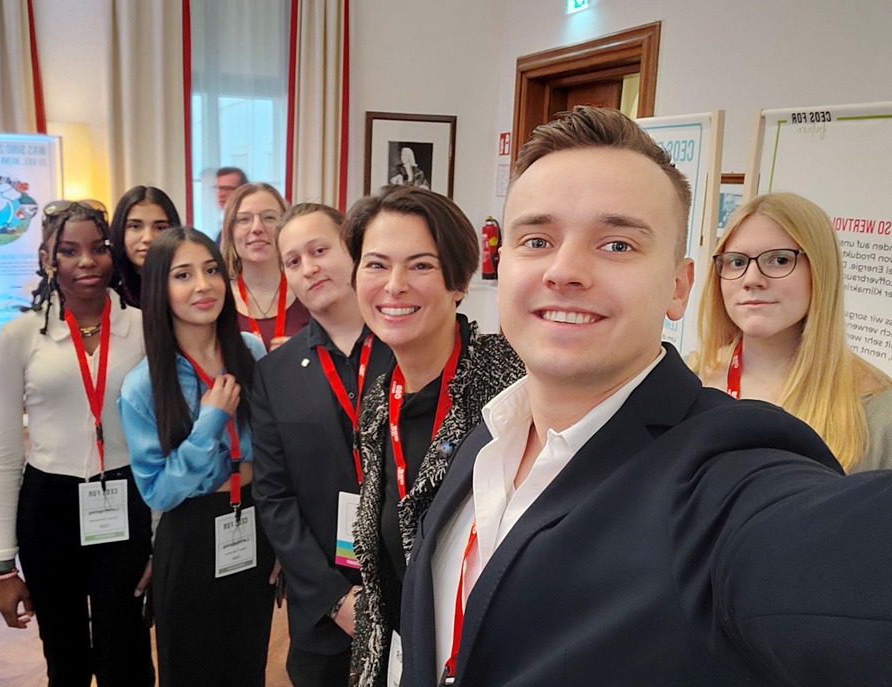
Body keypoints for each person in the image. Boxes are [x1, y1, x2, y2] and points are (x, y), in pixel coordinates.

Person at [399, 106, 892, 687]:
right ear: (501, 264)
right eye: (536, 239)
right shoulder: (488, 433)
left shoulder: (723, 472)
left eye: (617, 245)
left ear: (678, 287)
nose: (564, 269)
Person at [342, 186, 524, 687]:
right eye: (375, 265)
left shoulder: (511, 381)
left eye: (421, 266)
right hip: (402, 657)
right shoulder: (381, 399)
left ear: (458, 281)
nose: (394, 285)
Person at [0, 200, 154, 686]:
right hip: (49, 506)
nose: (86, 261)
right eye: (69, 250)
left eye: (98, 249)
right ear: (47, 259)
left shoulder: (144, 329)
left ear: (113, 255)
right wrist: (2, 565)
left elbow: (164, 440)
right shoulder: (19, 337)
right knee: (64, 657)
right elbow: (3, 455)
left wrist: (160, 539)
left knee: (126, 650)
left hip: (127, 500)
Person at [118, 227, 274, 686]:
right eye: (183, 275)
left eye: (211, 271)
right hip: (189, 536)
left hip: (253, 523)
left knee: (248, 666)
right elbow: (159, 491)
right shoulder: (143, 386)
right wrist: (208, 425)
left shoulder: (250, 350)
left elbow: (273, 450)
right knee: (191, 669)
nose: (203, 286)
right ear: (159, 291)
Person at [252, 203, 394, 686]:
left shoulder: (408, 347)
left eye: (319, 250)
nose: (308, 267)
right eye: (293, 261)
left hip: (407, 593)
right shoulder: (275, 373)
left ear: (352, 251)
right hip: (323, 608)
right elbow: (273, 496)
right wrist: (334, 598)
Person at [694, 192, 892, 472]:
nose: (751, 279)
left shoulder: (877, 413)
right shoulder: (691, 376)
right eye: (737, 262)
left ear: (821, 272)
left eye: (779, 260)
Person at [221, 182, 310, 350]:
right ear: (230, 232)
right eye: (244, 219)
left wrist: (303, 355)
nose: (257, 228)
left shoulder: (310, 292)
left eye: (269, 217)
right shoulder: (217, 299)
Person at [110, 186, 182, 307]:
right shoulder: (107, 288)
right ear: (120, 229)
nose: (148, 238)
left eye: (160, 228)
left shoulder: (185, 282)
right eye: (135, 226)